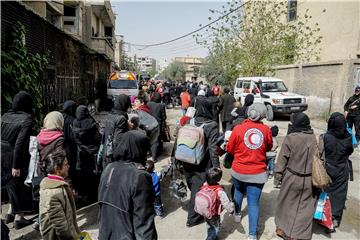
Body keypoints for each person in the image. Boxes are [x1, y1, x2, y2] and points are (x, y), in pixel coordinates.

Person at [98, 131, 157, 239]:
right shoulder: (140, 176)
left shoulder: (109, 168)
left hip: (105, 235)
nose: (146, 154)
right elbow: (143, 222)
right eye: (145, 150)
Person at [226, 103, 273, 240]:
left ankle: (237, 214)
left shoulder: (238, 128)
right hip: (257, 173)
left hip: (238, 170)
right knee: (253, 203)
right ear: (262, 115)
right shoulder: (266, 130)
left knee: (239, 192)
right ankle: (252, 235)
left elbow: (229, 149)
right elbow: (268, 147)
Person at [274, 112, 318, 240]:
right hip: (309, 179)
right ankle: (299, 235)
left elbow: (282, 160)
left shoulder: (291, 138)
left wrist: (278, 177)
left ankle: (283, 231)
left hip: (291, 177)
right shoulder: (314, 138)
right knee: (304, 208)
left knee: (286, 204)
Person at [183, 90, 220, 228]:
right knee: (196, 189)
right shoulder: (212, 125)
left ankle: (193, 205)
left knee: (192, 184)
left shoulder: (188, 120)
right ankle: (192, 219)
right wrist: (216, 167)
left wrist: (174, 157)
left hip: (186, 159)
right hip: (202, 162)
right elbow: (212, 149)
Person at [1, 91, 34, 229]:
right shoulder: (26, 119)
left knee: (10, 185)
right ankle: (19, 217)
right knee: (19, 185)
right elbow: (20, 143)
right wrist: (16, 165)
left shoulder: (5, 116)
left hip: (1, 154)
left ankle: (10, 213)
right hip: (13, 157)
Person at [322, 112, 353, 231]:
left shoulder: (326, 137)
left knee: (326, 192)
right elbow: (349, 151)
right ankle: (333, 220)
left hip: (328, 167)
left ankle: (323, 217)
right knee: (339, 195)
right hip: (341, 168)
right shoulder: (348, 137)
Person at [39, 150, 80, 240]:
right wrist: (70, 237)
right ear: (57, 168)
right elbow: (60, 226)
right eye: (65, 165)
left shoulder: (57, 185)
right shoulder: (54, 192)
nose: (68, 166)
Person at [72, 105, 101, 204]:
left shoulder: (75, 122)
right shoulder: (91, 122)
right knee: (92, 173)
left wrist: (81, 147)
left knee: (81, 173)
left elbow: (75, 139)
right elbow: (97, 138)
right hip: (92, 152)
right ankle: (92, 195)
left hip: (81, 152)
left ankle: (82, 195)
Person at [198, 167, 234, 240]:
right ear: (219, 179)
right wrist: (231, 210)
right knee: (215, 227)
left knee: (209, 224)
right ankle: (211, 237)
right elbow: (226, 203)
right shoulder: (219, 191)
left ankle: (210, 233)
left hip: (205, 211)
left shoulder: (204, 184)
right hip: (214, 213)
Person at [62, 100, 78, 189]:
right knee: (72, 166)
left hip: (65, 146)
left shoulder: (63, 118)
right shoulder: (72, 120)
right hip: (71, 147)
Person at [147, 92, 167, 161]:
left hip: (148, 124)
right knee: (156, 140)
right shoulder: (161, 105)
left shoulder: (148, 104)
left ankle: (150, 153)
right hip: (157, 125)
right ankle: (154, 157)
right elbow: (164, 117)